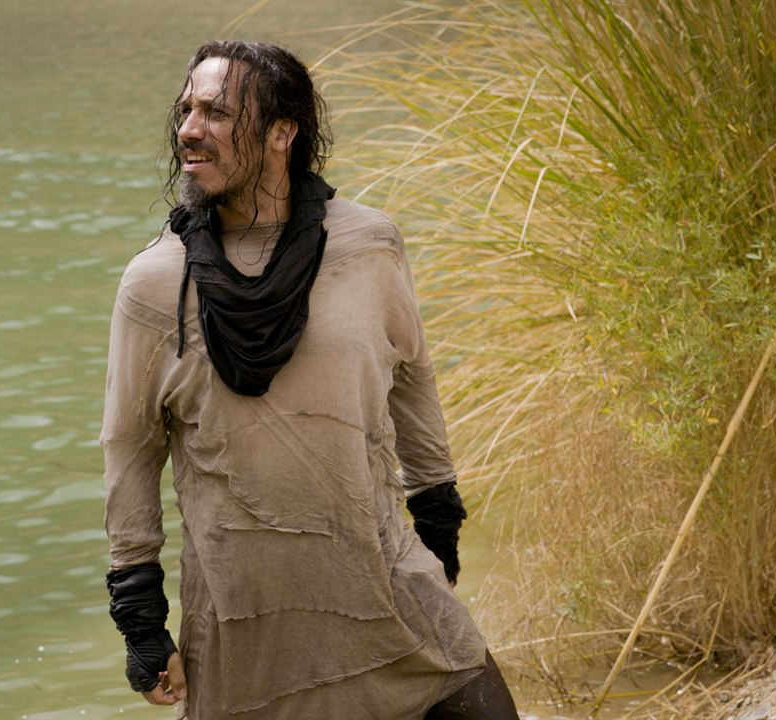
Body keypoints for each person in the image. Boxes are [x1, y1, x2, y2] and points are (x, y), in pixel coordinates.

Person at [101, 40, 520, 720]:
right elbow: (130, 451)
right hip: (243, 619)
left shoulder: (369, 245)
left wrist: (437, 529)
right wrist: (140, 619)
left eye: (215, 113)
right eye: (185, 111)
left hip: (387, 577)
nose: (188, 130)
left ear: (280, 132)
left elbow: (413, 384)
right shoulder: (153, 283)